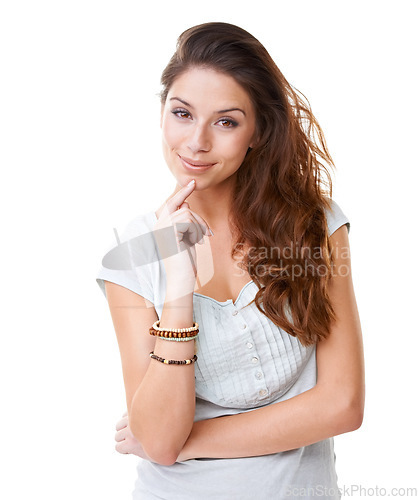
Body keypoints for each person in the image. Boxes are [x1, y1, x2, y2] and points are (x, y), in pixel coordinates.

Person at [96, 21, 365, 500]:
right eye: (182, 113)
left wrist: (183, 445)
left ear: (257, 130)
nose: (197, 142)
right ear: (162, 114)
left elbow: (342, 405)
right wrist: (179, 285)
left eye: (226, 121)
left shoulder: (315, 224)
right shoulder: (131, 256)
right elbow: (158, 434)